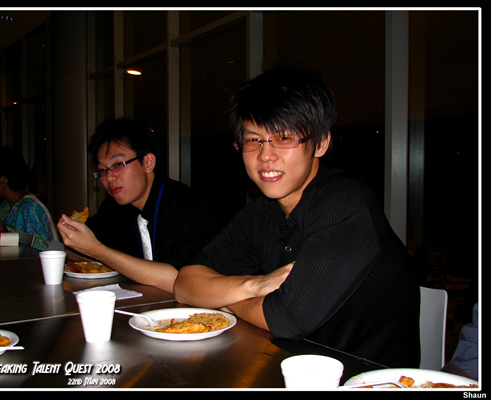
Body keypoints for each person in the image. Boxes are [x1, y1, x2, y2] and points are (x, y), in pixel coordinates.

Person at [173, 65, 421, 368]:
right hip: (294, 365)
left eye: (284, 138)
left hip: (371, 378)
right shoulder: (263, 211)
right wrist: (253, 286)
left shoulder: (344, 204)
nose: (265, 155)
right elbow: (185, 283)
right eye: (253, 140)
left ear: (321, 142)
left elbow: (286, 318)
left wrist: (226, 300)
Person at [57, 117, 218, 293]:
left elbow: (181, 280)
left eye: (118, 164)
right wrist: (70, 240)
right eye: (102, 170)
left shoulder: (185, 205)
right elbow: (84, 249)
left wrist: (97, 250)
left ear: (148, 163)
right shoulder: (114, 207)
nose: (109, 177)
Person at [0, 146, 57, 251]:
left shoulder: (30, 208)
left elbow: (42, 250)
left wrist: (7, 234)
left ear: (4, 179)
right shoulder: (5, 206)